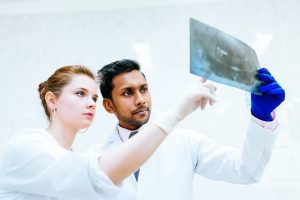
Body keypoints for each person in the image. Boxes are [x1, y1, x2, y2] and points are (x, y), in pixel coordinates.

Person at [0, 65, 217, 200]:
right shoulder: (28, 145)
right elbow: (99, 175)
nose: (91, 103)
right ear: (51, 100)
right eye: (80, 94)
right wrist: (176, 113)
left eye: (93, 98)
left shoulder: (77, 158)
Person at [91, 59, 285, 200]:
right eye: (127, 92)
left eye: (143, 89)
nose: (140, 99)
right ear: (109, 106)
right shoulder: (96, 157)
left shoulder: (185, 142)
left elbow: (246, 170)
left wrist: (261, 116)